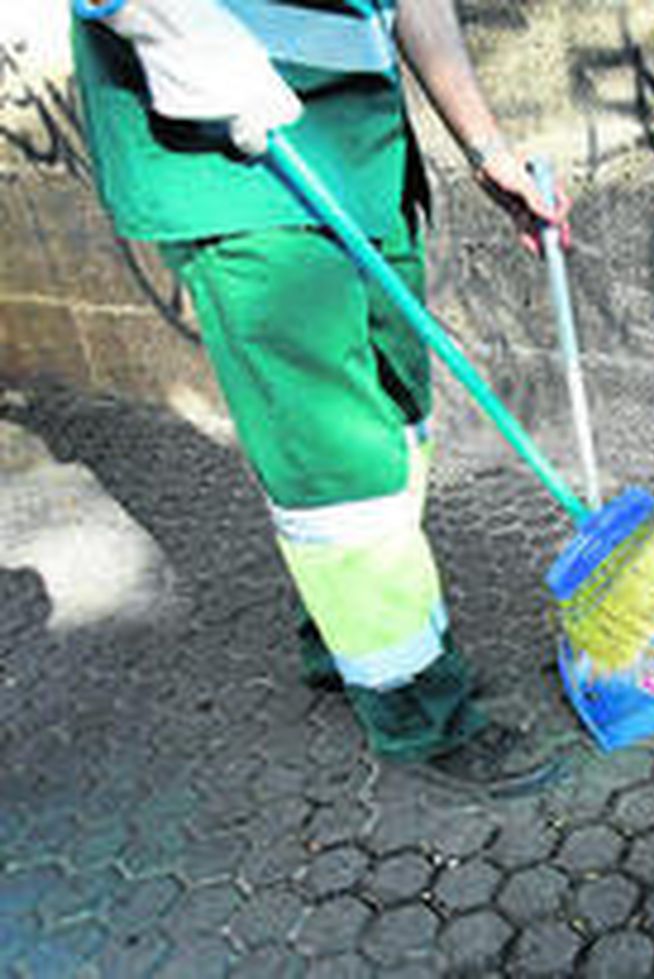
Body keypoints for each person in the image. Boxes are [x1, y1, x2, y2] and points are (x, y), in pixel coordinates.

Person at [70, 0, 574, 791]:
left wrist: (486, 149)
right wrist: (180, 36)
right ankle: (413, 700)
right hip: (229, 156)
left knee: (400, 417)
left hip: (361, 149)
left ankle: (348, 638)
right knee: (339, 462)